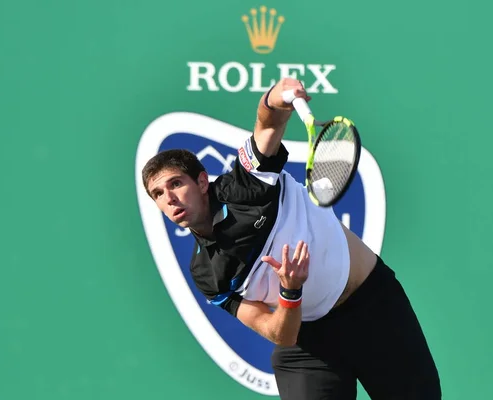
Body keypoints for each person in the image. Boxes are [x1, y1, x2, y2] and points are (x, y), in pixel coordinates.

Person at [141, 78, 442, 399]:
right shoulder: (207, 274)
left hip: (375, 308)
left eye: (175, 184)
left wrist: (275, 97)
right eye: (158, 194)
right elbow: (277, 333)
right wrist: (289, 291)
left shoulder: (245, 186)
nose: (169, 198)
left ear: (202, 181)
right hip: (308, 345)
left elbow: (267, 124)